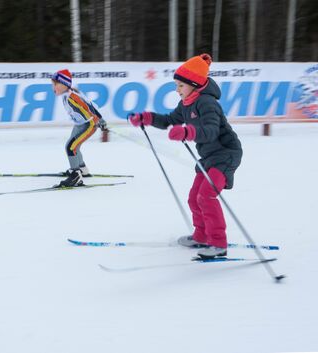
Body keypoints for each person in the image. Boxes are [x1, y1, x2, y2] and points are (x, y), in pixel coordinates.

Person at [128, 54, 243, 258]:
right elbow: (169, 120)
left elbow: (211, 131)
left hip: (226, 154)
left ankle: (218, 244)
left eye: (180, 85)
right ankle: (201, 236)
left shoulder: (207, 103)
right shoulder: (187, 104)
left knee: (206, 195)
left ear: (193, 84)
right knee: (194, 198)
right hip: (208, 157)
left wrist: (188, 132)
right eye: (176, 85)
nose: (177, 90)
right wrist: (147, 118)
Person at [51, 69, 108, 187]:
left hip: (89, 125)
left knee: (70, 147)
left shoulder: (72, 97)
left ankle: (75, 176)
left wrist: (99, 120)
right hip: (80, 124)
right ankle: (82, 170)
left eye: (55, 84)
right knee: (75, 145)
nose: (53, 86)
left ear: (64, 84)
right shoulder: (67, 94)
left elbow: (88, 107)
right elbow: (88, 102)